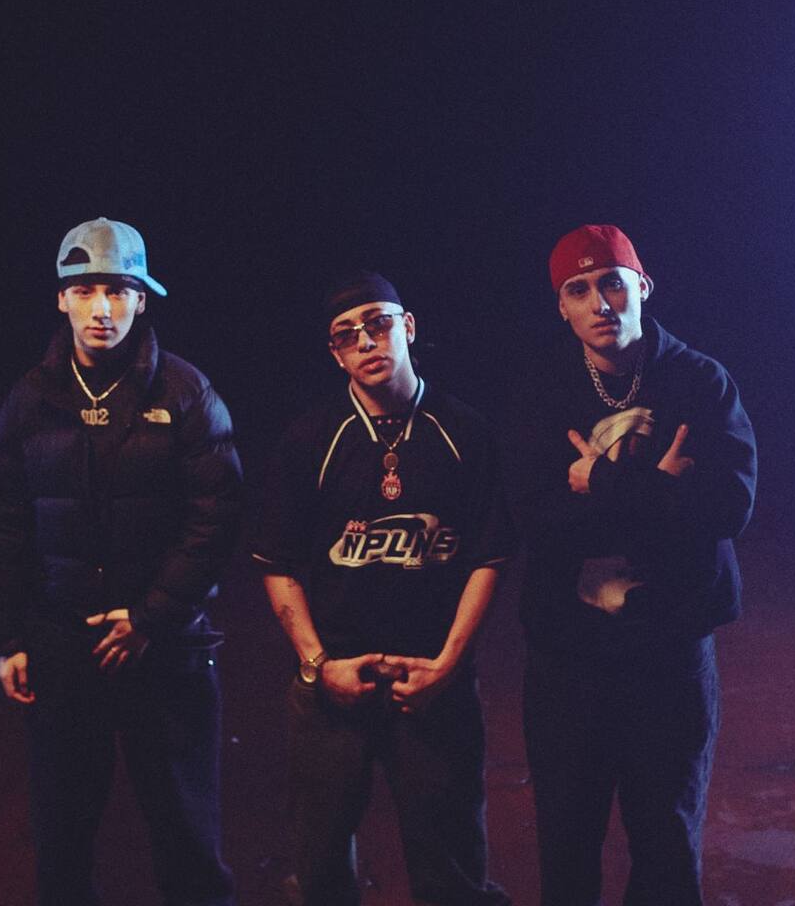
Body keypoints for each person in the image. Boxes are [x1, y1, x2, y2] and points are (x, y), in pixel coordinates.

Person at [0, 217, 242, 906]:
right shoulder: (30, 401)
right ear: (61, 299)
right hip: (64, 645)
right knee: (62, 843)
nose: (103, 308)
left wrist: (151, 618)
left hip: (165, 648)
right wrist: (8, 638)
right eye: (86, 290)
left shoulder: (186, 393)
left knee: (187, 838)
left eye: (119, 290)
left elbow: (216, 520)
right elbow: (6, 524)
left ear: (142, 299)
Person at [252, 271, 513, 906]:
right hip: (336, 683)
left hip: (433, 684)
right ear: (335, 353)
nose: (366, 341)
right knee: (319, 869)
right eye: (348, 334)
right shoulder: (309, 439)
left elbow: (488, 558)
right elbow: (278, 564)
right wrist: (319, 665)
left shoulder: (464, 432)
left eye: (378, 323)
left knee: (451, 873)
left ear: (409, 327)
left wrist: (448, 664)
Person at [516, 224, 757, 906]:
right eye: (579, 290)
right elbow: (533, 517)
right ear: (562, 307)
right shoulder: (542, 389)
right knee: (567, 842)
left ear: (643, 288)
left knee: (667, 845)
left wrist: (604, 483)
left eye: (613, 284)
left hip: (669, 651)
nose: (600, 303)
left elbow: (730, 507)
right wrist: (663, 495)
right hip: (570, 657)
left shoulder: (700, 381)